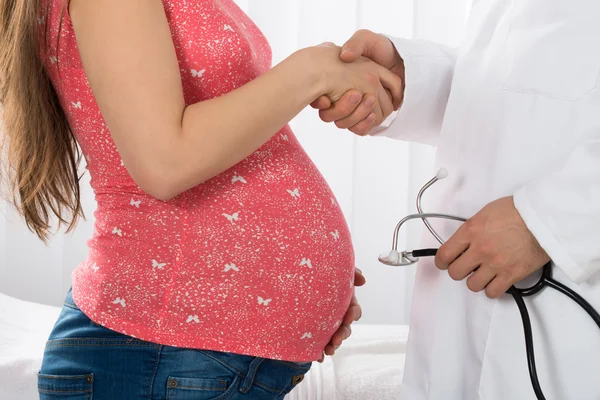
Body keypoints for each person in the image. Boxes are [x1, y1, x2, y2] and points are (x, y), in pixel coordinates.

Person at [0, 1, 403, 399]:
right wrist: (312, 70)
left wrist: (295, 277)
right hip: (157, 355)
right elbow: (164, 162)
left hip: (184, 355)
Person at [315, 2, 600, 398]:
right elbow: (531, 82)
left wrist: (549, 220)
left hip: (571, 302)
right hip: (469, 312)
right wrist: (408, 80)